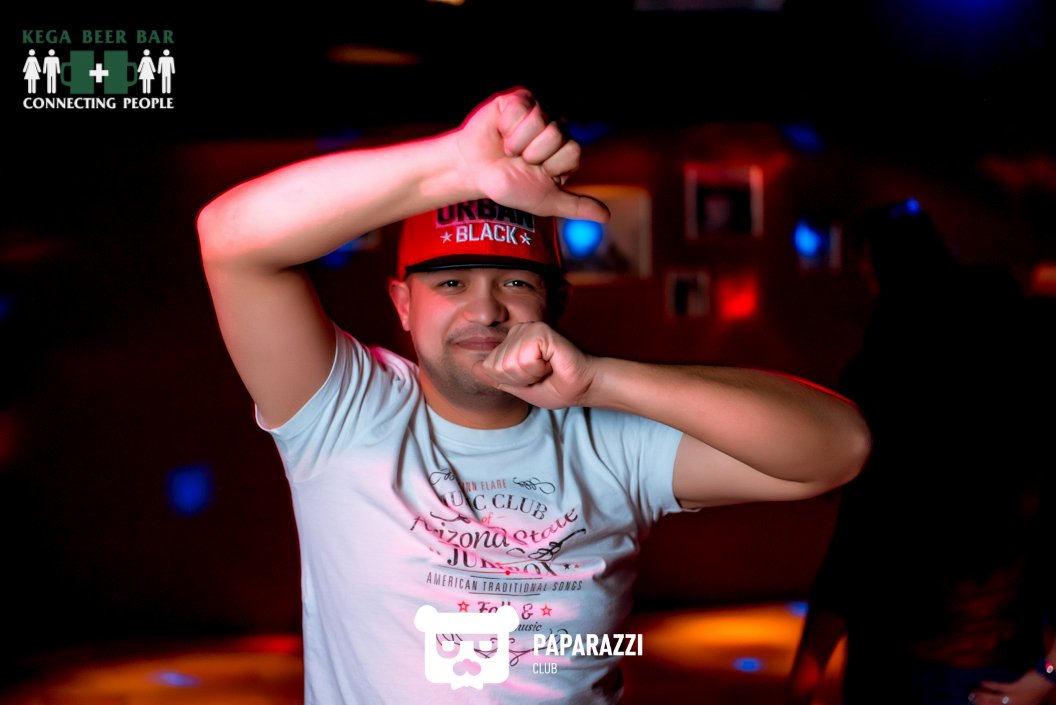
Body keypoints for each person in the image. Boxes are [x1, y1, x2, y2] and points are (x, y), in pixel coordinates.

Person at [197, 87, 871, 705]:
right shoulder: (346, 410)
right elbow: (230, 239)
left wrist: (602, 380)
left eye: (515, 282)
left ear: (554, 302)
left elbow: (839, 448)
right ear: (402, 302)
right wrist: (455, 163)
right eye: (451, 283)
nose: (485, 310)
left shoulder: (609, 439)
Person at [785, 202, 1055, 705]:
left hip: (943, 665)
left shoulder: (894, 385)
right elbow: (856, 545)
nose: (865, 274)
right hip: (941, 660)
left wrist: (1048, 674)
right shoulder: (1004, 412)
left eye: (870, 261)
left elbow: (854, 546)